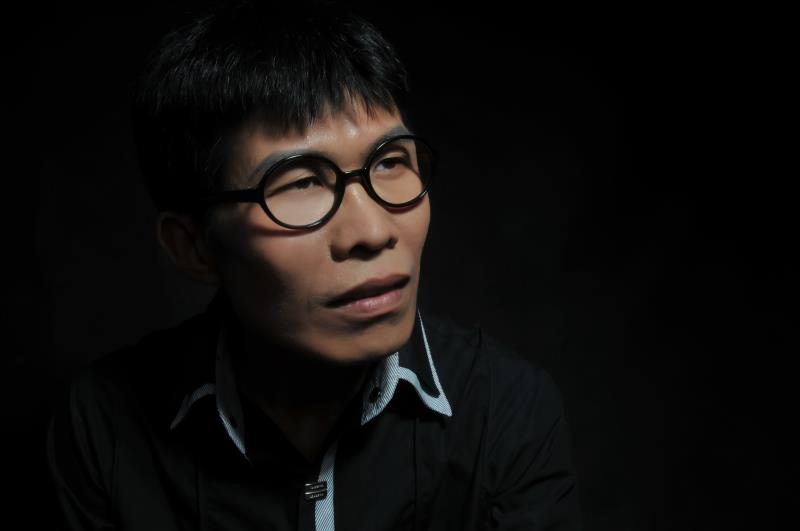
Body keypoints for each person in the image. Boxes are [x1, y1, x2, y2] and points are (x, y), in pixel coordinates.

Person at [45, 1, 582, 529]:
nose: (373, 232)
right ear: (194, 246)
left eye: (390, 162)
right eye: (302, 182)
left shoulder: (505, 411)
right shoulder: (102, 427)